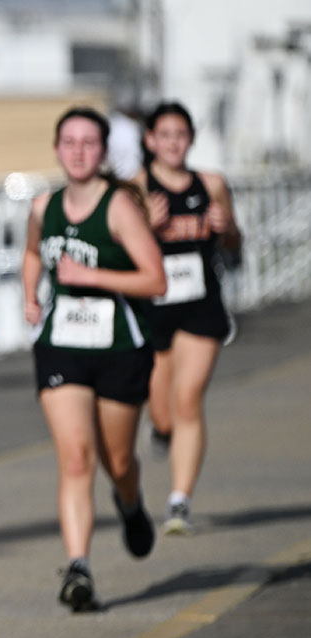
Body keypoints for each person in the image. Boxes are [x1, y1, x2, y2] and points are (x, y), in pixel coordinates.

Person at [21, 107, 167, 612]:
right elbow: (33, 253)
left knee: (118, 461)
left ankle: (129, 501)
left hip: (119, 348)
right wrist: (29, 294)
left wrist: (93, 277)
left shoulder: (120, 208)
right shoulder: (44, 205)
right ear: (56, 149)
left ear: (102, 151)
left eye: (88, 143)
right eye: (69, 142)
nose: (78, 151)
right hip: (61, 345)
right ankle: (78, 567)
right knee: (77, 457)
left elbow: (156, 279)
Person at [134, 101, 242, 535]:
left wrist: (226, 227)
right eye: (165, 135)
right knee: (163, 412)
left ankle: (180, 501)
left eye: (180, 135)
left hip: (201, 304)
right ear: (150, 141)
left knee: (188, 400)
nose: (173, 143)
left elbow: (235, 245)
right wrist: (145, 224)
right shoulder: (136, 187)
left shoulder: (211, 184)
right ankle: (161, 432)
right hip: (154, 307)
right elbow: (119, 247)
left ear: (191, 139)